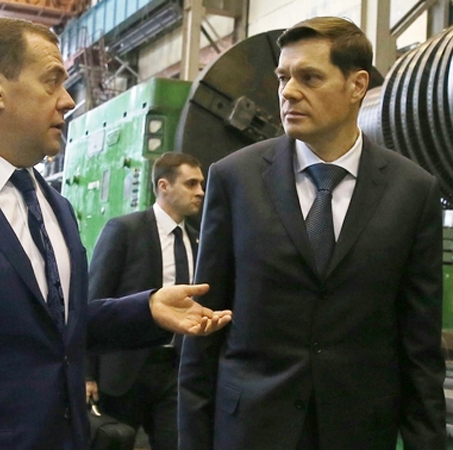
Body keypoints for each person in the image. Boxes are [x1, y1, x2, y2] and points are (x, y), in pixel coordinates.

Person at [0, 17, 232, 450]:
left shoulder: (57, 208)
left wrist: (146, 310)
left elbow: (55, 330)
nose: (68, 100)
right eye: (52, 81)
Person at [178, 16, 446, 450]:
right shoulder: (235, 179)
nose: (288, 92)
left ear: (357, 85)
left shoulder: (412, 192)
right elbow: (203, 328)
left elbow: (420, 349)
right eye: (283, 77)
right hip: (251, 430)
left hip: (357, 433)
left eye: (309, 78)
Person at [85, 153, 205, 449]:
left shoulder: (198, 240)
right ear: (164, 186)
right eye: (191, 184)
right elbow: (94, 300)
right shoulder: (125, 230)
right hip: (124, 371)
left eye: (201, 184)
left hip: (175, 371)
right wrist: (86, 374)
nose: (200, 192)